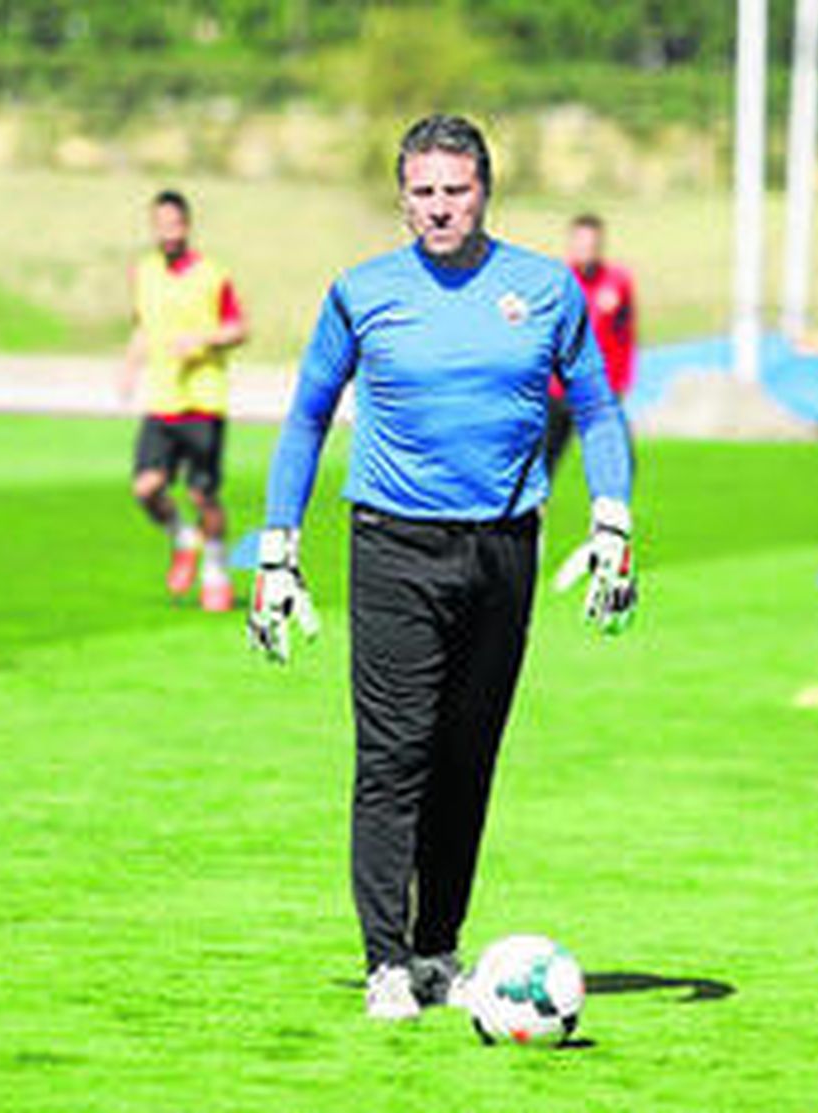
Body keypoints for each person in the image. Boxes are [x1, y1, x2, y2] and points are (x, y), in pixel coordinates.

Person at [248, 115, 638, 1021]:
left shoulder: (545, 288)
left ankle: (436, 951)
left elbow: (596, 407)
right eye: (422, 191)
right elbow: (307, 416)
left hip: (504, 548)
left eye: (455, 190)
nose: (438, 207)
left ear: (485, 192)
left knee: (468, 758)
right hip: (393, 547)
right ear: (402, 198)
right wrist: (278, 548)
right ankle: (385, 960)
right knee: (395, 755)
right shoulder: (361, 292)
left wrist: (612, 516)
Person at [118, 190, 249, 612]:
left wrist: (203, 340)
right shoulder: (144, 272)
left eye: (174, 224)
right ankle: (182, 537)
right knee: (145, 487)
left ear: (187, 226)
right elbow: (143, 326)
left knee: (202, 496)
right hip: (162, 399)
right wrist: (129, 367)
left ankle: (216, 572)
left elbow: (239, 328)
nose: (168, 233)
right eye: (161, 225)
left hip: (203, 400)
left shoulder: (212, 274)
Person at [546, 212, 636, 477]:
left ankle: (609, 502)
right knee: (542, 464)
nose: (587, 251)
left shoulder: (618, 282)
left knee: (618, 461)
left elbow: (625, 333)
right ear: (571, 244)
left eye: (592, 245)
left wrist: (621, 381)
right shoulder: (556, 283)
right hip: (558, 389)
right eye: (581, 244)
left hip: (600, 389)